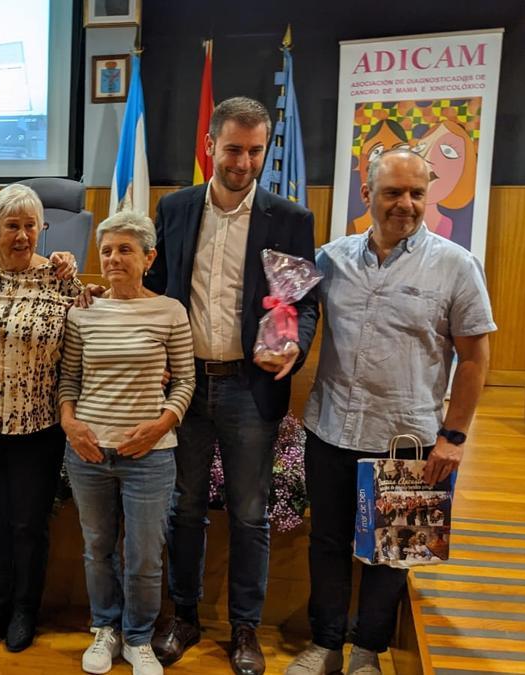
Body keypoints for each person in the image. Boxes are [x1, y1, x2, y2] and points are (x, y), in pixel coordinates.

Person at [286, 149, 494, 675]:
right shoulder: (329, 260)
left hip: (408, 438)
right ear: (367, 195)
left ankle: (368, 651)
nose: (406, 204)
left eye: (417, 193)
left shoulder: (456, 265)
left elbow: (474, 359)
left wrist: (454, 437)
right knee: (328, 543)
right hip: (331, 428)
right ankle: (326, 644)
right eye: (393, 192)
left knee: (396, 551)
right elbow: (287, 318)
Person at [144, 97, 319, 675]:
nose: (244, 162)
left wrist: (293, 344)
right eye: (233, 149)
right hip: (187, 385)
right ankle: (185, 616)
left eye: (255, 151)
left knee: (249, 514)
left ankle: (245, 629)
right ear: (210, 147)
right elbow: (157, 288)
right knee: (185, 508)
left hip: (251, 387)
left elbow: (299, 302)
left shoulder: (289, 218)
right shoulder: (174, 208)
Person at [59, 210, 196, 675]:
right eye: (107, 251)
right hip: (88, 453)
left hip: (150, 458)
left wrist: (161, 425)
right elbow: (68, 380)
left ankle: (138, 637)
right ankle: (106, 629)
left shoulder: (170, 311)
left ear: (148, 257)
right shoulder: (84, 311)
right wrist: (70, 425)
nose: (114, 259)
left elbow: (184, 381)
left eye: (125, 250)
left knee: (142, 555)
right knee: (97, 547)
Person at [0, 183, 82, 653]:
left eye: (32, 225)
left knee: (29, 523)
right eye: (12, 225)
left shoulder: (58, 276)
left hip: (38, 425)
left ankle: (26, 610)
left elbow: (92, 313)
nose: (23, 235)